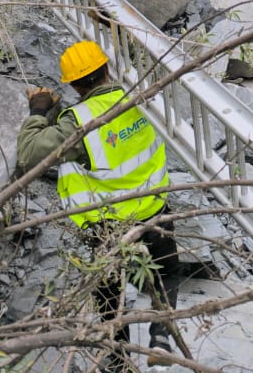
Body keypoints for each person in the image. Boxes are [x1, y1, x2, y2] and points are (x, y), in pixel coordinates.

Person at [16, 40, 181, 370]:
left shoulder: (77, 121)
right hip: (153, 206)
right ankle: (161, 334)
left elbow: (28, 154)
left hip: (106, 223)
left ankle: (117, 354)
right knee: (168, 271)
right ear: (107, 69)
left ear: (74, 85)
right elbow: (148, 53)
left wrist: (39, 111)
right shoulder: (140, 96)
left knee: (109, 287)